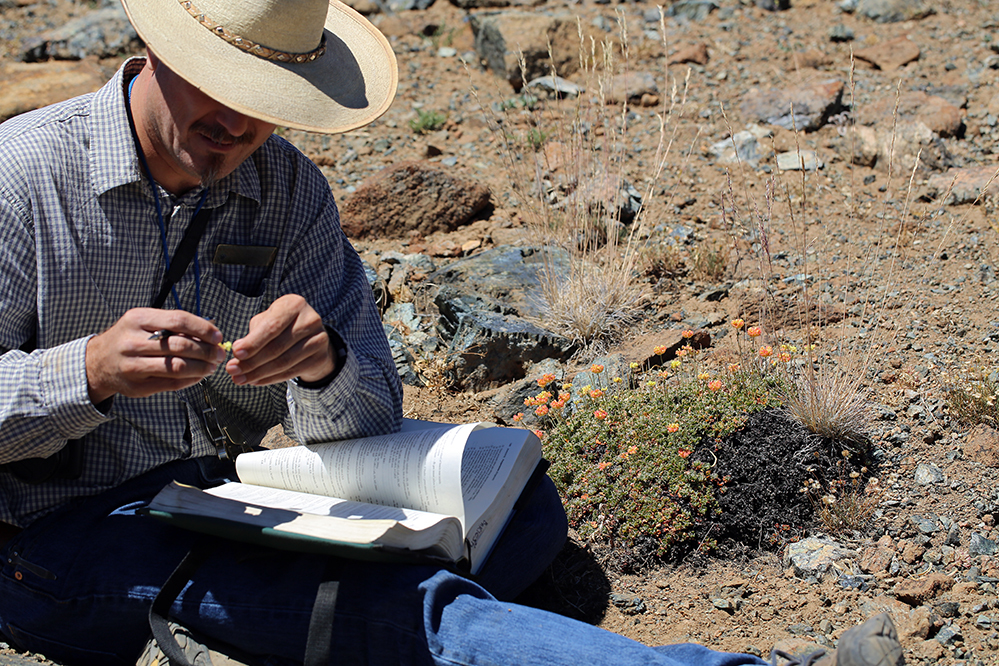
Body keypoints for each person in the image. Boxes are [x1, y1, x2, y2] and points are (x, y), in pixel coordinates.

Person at [0, 0, 905, 665]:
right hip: (49, 540)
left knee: (519, 511)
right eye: (222, 89)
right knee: (398, 595)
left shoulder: (285, 190)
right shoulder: (25, 178)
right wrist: (85, 372)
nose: (237, 124)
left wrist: (320, 368)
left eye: (267, 99)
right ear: (154, 49)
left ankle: (357, 629)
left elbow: (364, 418)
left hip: (222, 492)